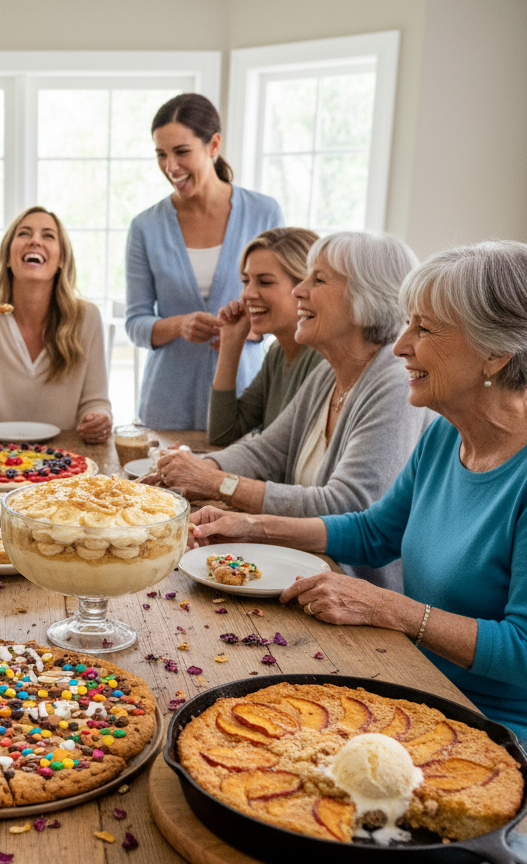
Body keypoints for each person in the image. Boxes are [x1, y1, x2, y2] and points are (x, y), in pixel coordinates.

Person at [190, 241, 527, 745]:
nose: (400, 345)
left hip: (493, 729)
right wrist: (250, 524)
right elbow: (374, 532)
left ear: (496, 354)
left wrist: (393, 609)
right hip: (412, 684)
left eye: (425, 328)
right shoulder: (444, 436)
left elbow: (521, 650)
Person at [147, 232, 434, 591]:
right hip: (304, 573)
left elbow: (348, 505)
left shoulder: (393, 383)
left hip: (354, 593)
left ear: (367, 297)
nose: (300, 290)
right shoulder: (328, 373)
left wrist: (217, 482)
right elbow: (267, 450)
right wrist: (201, 468)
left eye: (319, 279)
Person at [125, 93, 284, 430]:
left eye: (182, 152)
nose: (171, 167)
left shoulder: (264, 212)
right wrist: (178, 325)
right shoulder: (145, 226)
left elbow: (282, 305)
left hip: (244, 398)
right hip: (166, 406)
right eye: (161, 155)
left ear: (213, 145)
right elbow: (135, 322)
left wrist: (243, 332)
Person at [0, 207, 112, 440]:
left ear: (61, 259)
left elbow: (95, 403)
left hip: (65, 463)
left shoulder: (87, 319)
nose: (35, 240)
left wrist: (97, 419)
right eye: (24, 233)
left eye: (48, 235)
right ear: (7, 258)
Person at [207, 227, 323, 445]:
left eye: (265, 282)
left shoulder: (323, 359)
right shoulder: (278, 353)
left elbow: (286, 452)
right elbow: (223, 432)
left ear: (304, 287)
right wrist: (231, 341)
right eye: (245, 281)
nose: (248, 294)